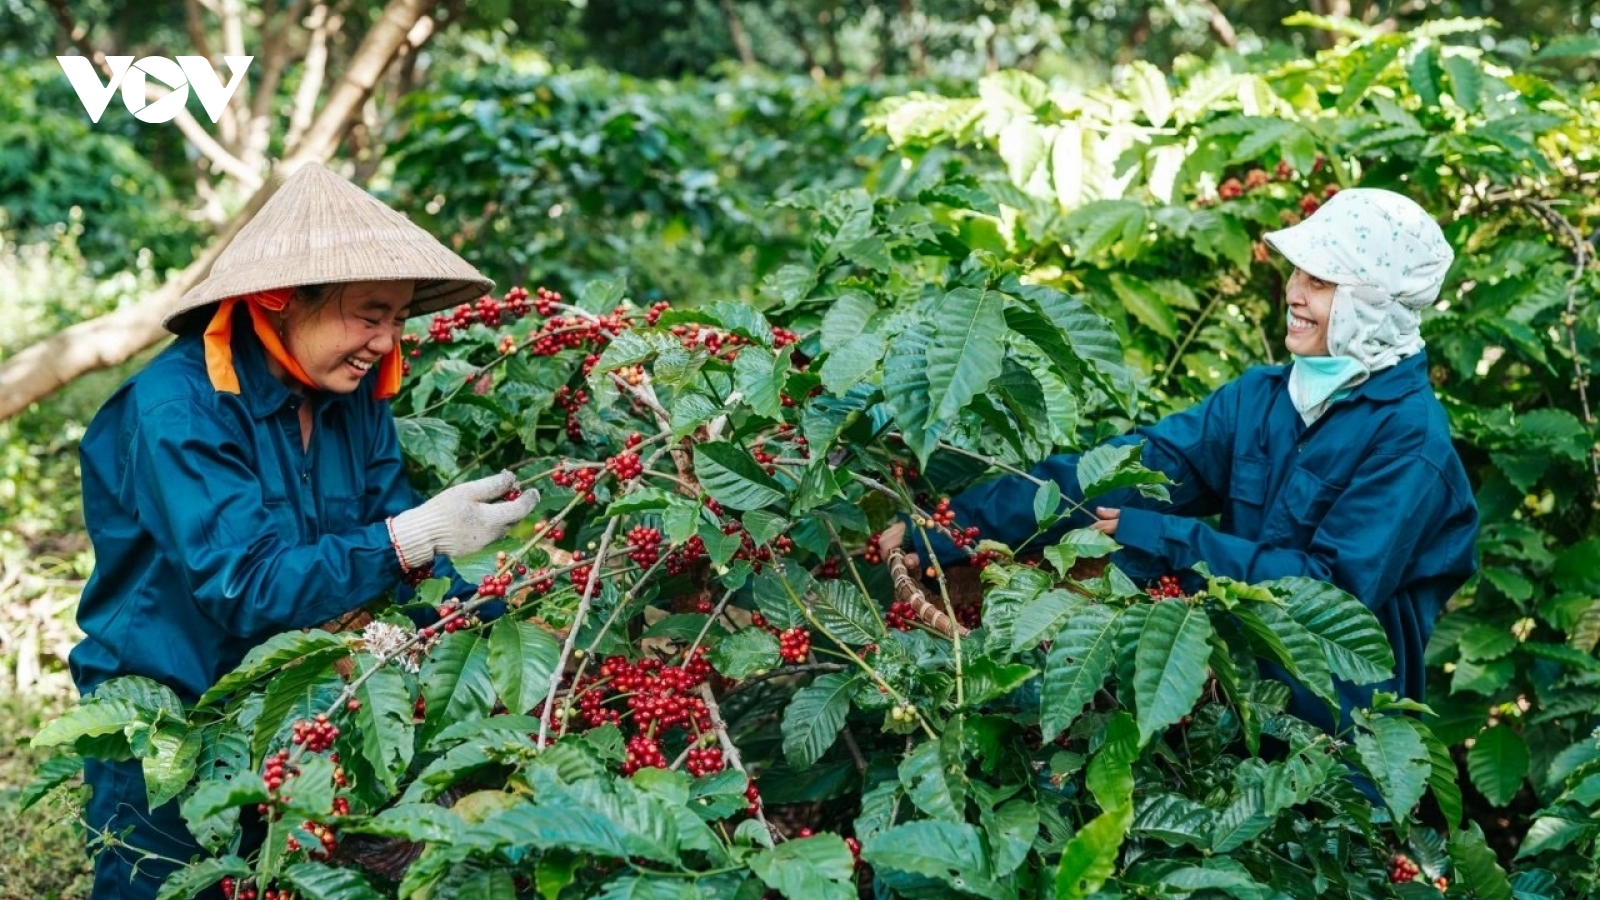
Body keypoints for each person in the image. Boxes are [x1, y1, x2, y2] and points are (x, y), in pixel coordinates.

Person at [69, 162, 539, 899]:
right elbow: (247, 584)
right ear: (279, 299)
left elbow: (398, 543)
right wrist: (411, 538)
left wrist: (502, 627)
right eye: (369, 315)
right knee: (164, 885)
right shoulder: (180, 409)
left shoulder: (352, 397)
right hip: (172, 713)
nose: (386, 341)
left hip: (297, 705)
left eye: (398, 319)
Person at [881, 187, 1478, 734]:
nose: (1294, 292)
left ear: (1373, 305)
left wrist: (1164, 538)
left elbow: (1329, 594)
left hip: (1335, 734)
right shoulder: (1265, 398)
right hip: (1225, 698)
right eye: (1298, 271)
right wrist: (944, 530)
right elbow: (1123, 472)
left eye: (1320, 282)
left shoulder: (1411, 442)